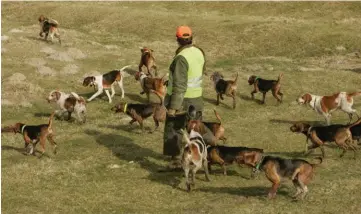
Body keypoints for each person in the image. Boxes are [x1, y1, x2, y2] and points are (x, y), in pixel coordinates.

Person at [162, 25, 212, 170]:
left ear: (177, 39)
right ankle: (200, 158)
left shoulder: (181, 58)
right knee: (195, 131)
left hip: (183, 100)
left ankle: (177, 161)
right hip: (197, 99)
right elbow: (199, 72)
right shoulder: (199, 52)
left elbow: (180, 85)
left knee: (174, 128)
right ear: (191, 37)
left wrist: (173, 107)